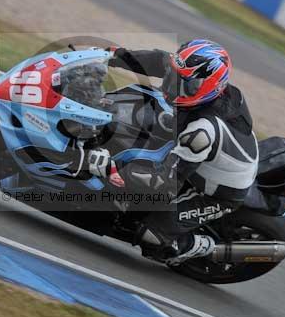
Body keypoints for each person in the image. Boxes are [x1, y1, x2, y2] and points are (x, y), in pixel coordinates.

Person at [84, 39, 259, 265]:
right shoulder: (204, 85)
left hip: (216, 189)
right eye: (175, 77)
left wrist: (111, 169)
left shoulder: (202, 132)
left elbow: (165, 185)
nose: (174, 85)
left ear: (209, 86)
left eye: (185, 84)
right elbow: (160, 61)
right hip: (206, 155)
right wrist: (112, 55)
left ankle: (204, 248)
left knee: (152, 238)